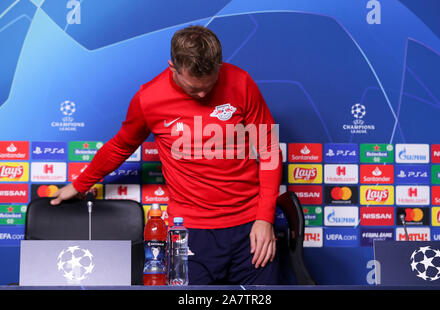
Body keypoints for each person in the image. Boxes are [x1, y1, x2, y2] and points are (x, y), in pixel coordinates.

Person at [51, 25, 282, 285]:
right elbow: (120, 146)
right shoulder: (149, 98)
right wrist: (80, 183)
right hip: (191, 230)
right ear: (173, 67)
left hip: (250, 226)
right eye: (194, 89)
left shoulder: (241, 81)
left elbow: (269, 149)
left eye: (210, 84)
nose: (204, 94)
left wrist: (264, 218)